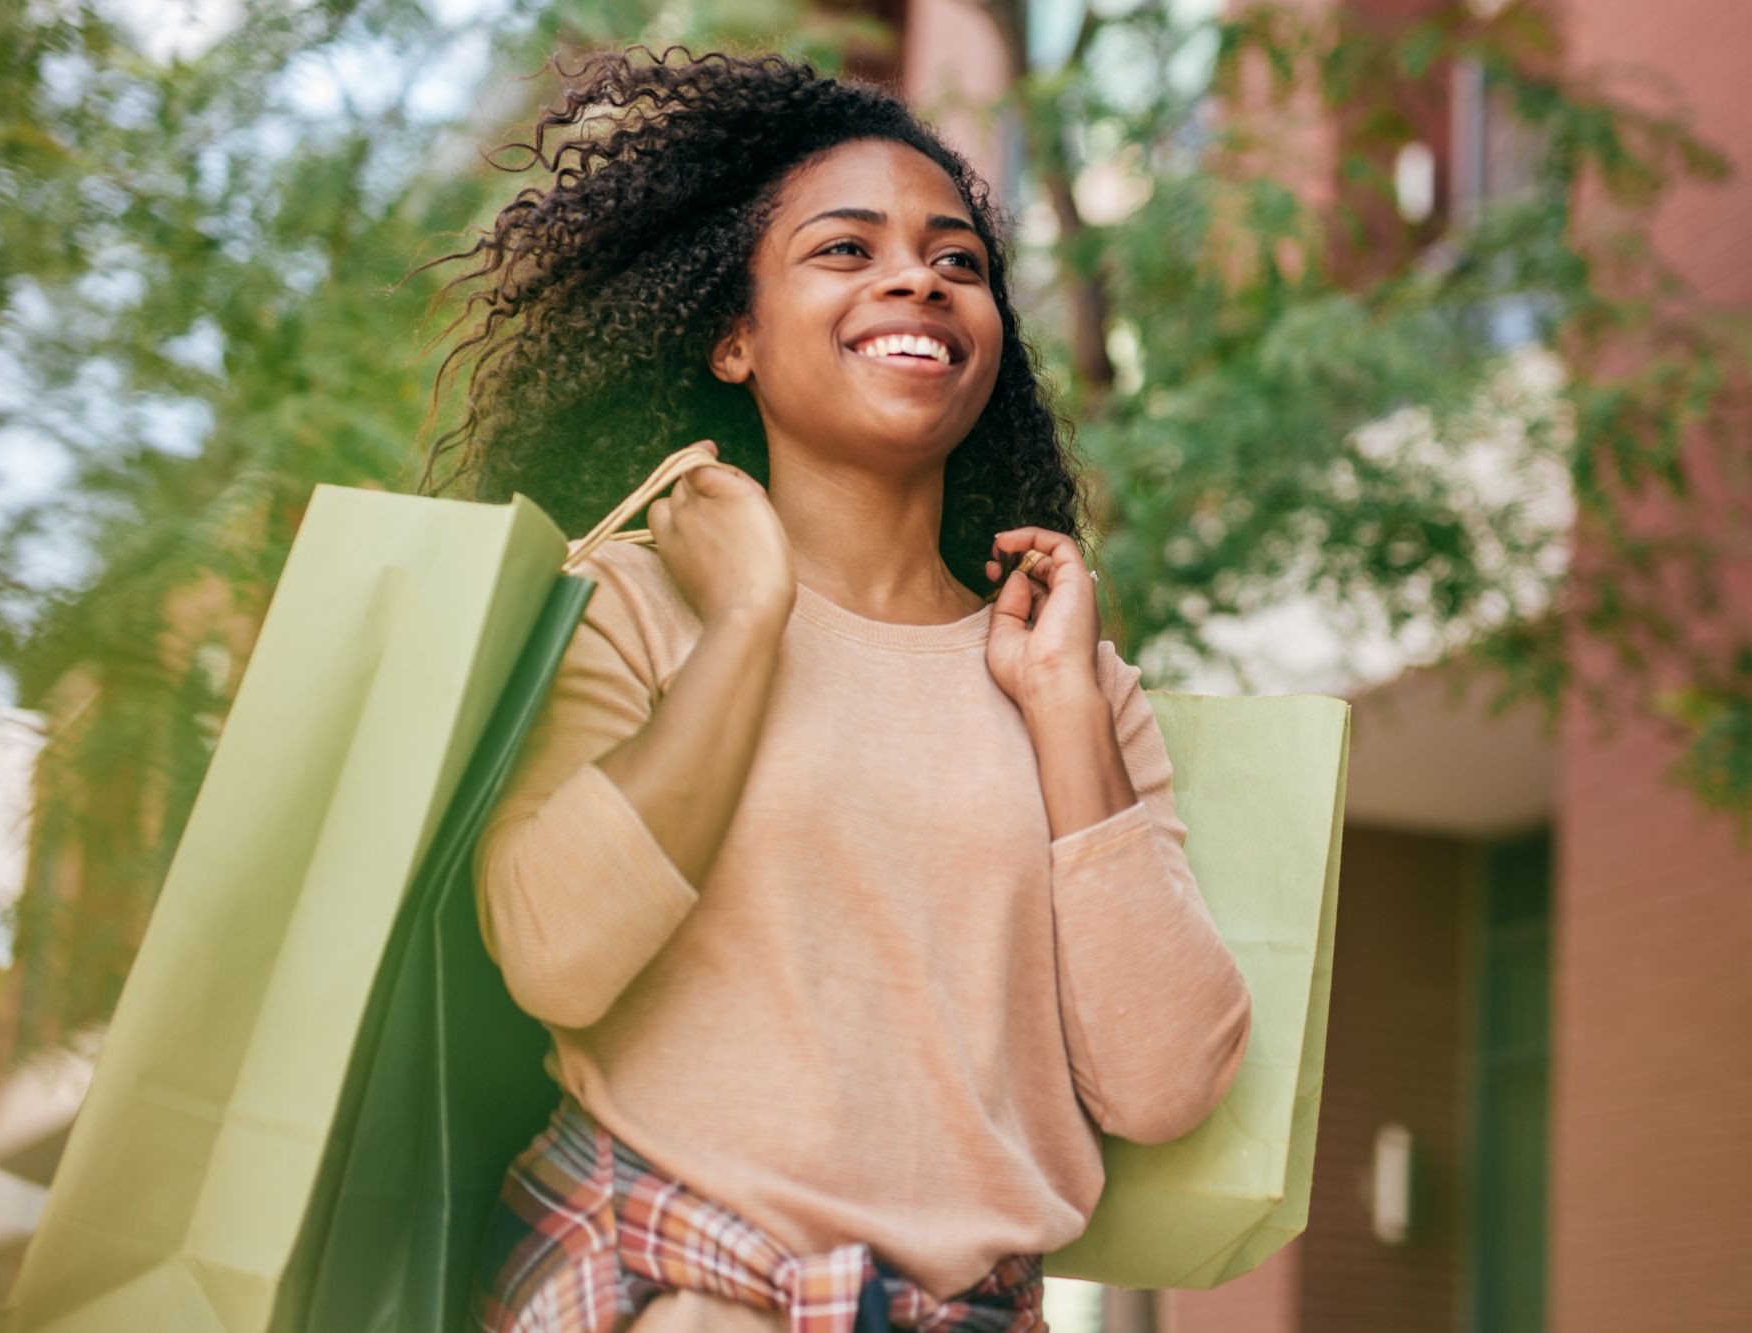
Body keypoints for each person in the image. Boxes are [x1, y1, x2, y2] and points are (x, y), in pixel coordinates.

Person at [427, 43, 1254, 1333]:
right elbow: (552, 954)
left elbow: (1161, 1088)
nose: (917, 276)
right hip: (666, 1274)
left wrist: (1065, 718)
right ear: (733, 336)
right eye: (845, 250)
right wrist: (749, 621)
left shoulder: (1064, 678)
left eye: (957, 260)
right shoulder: (630, 609)